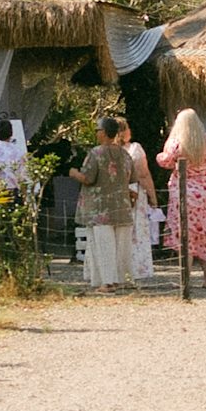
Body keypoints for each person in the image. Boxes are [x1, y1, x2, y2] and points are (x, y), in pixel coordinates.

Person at [75, 112, 151, 292]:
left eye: (98, 130)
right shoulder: (125, 155)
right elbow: (132, 178)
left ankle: (107, 282)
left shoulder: (96, 153)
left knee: (103, 245)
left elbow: (88, 177)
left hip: (100, 208)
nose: (96, 133)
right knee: (122, 246)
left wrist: (73, 173)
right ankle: (122, 279)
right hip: (122, 205)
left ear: (104, 133)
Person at [157, 108, 206, 273]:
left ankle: (185, 279)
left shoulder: (177, 143)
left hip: (183, 192)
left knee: (185, 237)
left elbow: (165, 161)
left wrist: (161, 154)